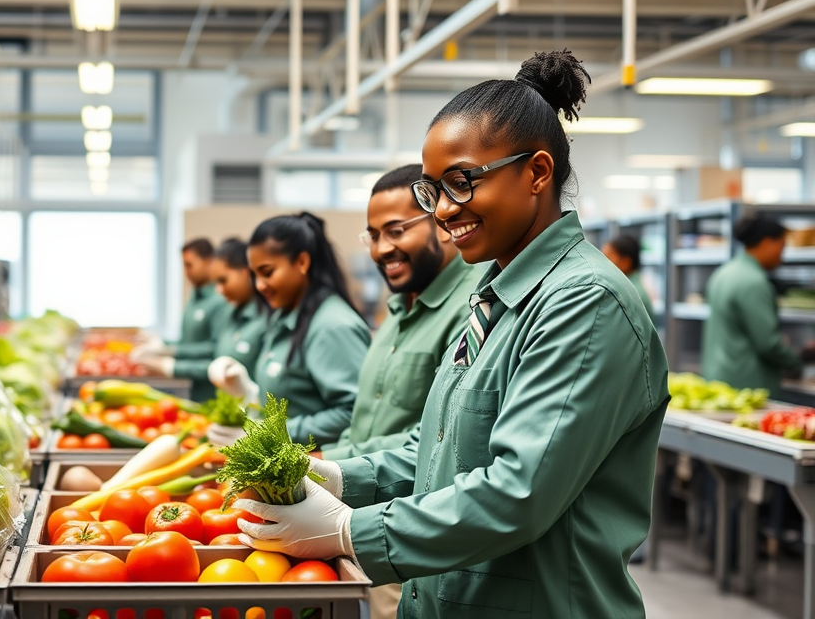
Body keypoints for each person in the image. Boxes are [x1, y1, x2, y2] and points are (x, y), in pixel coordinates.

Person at [234, 50, 669, 619]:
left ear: (537, 173)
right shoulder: (494, 298)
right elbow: (438, 448)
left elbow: (519, 493)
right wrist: (340, 474)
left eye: (460, 183)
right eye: (431, 189)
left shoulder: (585, 304)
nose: (441, 210)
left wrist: (348, 532)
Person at [319, 164, 488, 462]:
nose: (381, 249)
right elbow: (361, 427)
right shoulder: (398, 308)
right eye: (373, 236)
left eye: (396, 231)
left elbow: (440, 437)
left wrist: (328, 465)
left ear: (441, 223)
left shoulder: (474, 307)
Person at [210, 212, 371, 448]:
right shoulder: (285, 317)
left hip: (319, 472)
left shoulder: (331, 326)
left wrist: (270, 434)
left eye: (268, 272)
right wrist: (246, 391)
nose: (260, 285)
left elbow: (354, 413)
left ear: (302, 263)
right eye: (254, 275)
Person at [702, 217, 815, 394]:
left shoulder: (723, 273)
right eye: (782, 246)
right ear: (767, 242)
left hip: (720, 377)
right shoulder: (755, 282)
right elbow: (768, 342)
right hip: (747, 384)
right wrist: (797, 363)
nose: (782, 254)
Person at [136, 238, 230, 402]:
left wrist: (171, 358)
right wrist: (162, 344)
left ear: (208, 262)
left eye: (189, 265)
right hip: (194, 388)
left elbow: (216, 348)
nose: (186, 271)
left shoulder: (220, 301)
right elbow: (188, 341)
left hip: (213, 392)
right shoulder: (195, 297)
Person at [603, 234, 655, 324]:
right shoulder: (631, 286)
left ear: (625, 263)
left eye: (607, 257)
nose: (602, 262)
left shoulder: (629, 294)